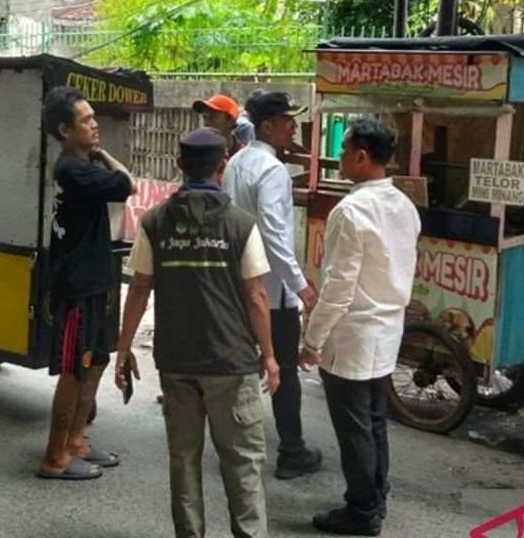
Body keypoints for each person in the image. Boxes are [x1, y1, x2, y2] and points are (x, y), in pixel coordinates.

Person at [116, 127, 280, 538]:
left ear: (179, 166)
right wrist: (270, 355)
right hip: (231, 362)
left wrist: (123, 349)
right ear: (221, 168)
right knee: (242, 465)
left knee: (184, 462)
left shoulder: (155, 223)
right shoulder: (242, 225)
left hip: (176, 361)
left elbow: (139, 287)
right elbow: (257, 296)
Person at [299, 118, 420, 537]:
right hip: (387, 326)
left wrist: (311, 340)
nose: (340, 157)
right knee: (374, 419)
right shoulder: (403, 205)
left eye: (344, 149)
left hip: (354, 332)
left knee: (356, 428)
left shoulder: (350, 211)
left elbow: (337, 289)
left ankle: (362, 509)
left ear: (361, 156)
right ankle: (375, 497)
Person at [38, 86, 137, 481]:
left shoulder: (82, 168)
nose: (95, 125)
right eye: (86, 120)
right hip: (77, 286)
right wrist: (102, 155)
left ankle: (76, 440)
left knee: (96, 361)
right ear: (64, 129)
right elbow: (127, 184)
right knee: (74, 369)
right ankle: (54, 457)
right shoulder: (73, 169)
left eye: (94, 118)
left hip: (94, 280)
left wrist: (95, 152)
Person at [223, 91, 322, 479]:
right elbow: (274, 233)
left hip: (236, 283)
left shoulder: (237, 163)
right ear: (268, 125)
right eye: (287, 119)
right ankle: (292, 450)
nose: (293, 126)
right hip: (271, 291)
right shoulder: (272, 170)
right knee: (283, 368)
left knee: (238, 365)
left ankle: (233, 445)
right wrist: (299, 285)